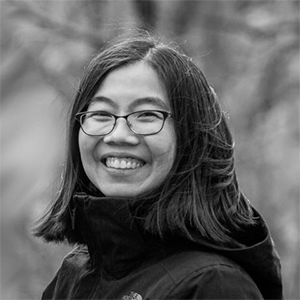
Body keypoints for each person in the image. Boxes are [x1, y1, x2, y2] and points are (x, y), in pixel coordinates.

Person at [34, 33, 283, 299]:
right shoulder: (76, 272)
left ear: (191, 137)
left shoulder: (213, 284)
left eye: (147, 115)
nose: (118, 135)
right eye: (101, 114)